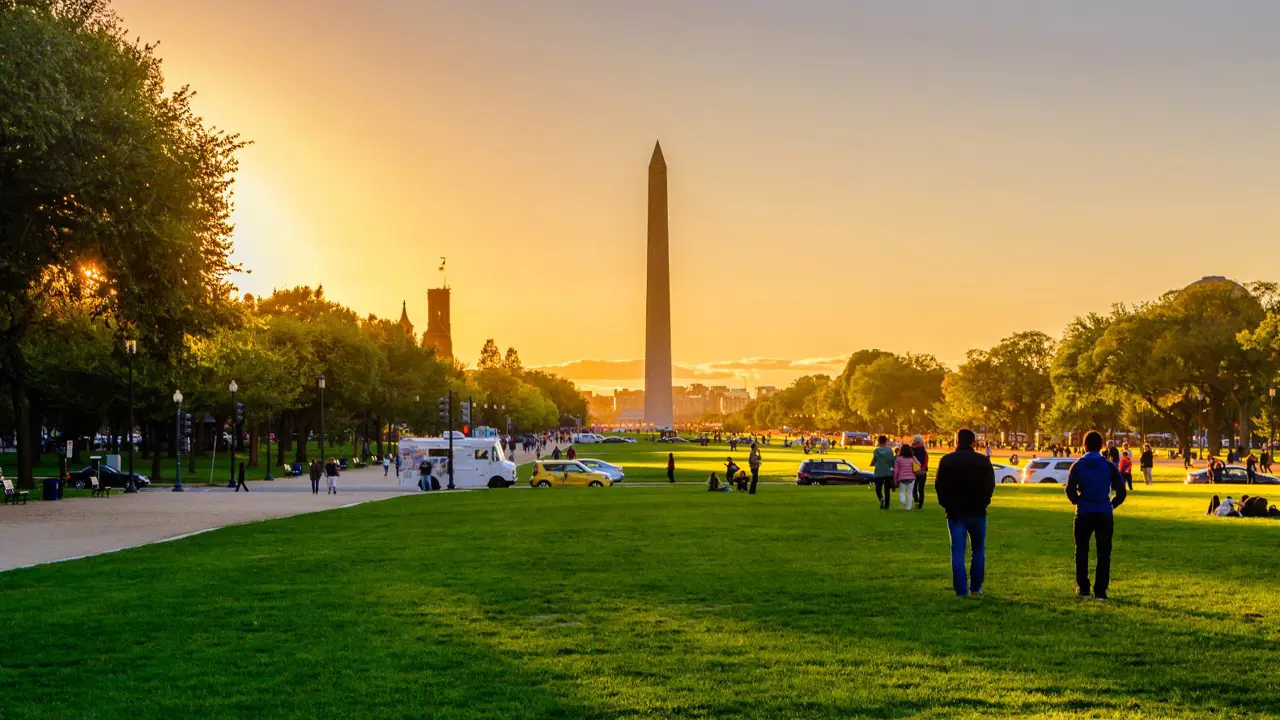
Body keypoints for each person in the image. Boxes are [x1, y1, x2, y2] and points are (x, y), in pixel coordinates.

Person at [1066, 431, 1127, 601]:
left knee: (1081, 550)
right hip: (1103, 512)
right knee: (1104, 552)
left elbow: (1069, 490)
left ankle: (1083, 587)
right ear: (1102, 446)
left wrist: (1078, 501)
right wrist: (1111, 505)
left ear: (1084, 445)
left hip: (1084, 512)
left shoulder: (1077, 465)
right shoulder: (1108, 466)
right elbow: (1121, 491)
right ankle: (1100, 590)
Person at [934, 428, 995, 598]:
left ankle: (961, 590)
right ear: (973, 442)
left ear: (957, 441)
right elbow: (990, 484)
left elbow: (939, 485)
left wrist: (946, 503)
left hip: (955, 512)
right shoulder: (983, 461)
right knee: (978, 550)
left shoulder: (947, 461)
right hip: (977, 510)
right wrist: (985, 500)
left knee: (958, 551)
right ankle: (976, 588)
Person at [871, 435, 895, 510]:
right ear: (886, 441)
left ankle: (881, 498)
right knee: (887, 490)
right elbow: (892, 461)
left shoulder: (876, 451)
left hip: (879, 472)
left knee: (878, 489)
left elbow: (875, 460)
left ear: (878, 441)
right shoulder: (890, 450)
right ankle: (887, 505)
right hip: (888, 472)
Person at [893, 444, 919, 511]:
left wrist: (895, 480)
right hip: (912, 478)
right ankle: (908, 507)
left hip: (902, 478)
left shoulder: (899, 459)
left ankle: (903, 500)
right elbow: (919, 465)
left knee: (902, 492)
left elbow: (896, 470)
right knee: (910, 493)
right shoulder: (913, 458)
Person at [911, 434, 929, 509]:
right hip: (922, 472)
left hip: (913, 472)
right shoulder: (924, 451)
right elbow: (926, 461)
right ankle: (920, 504)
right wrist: (922, 469)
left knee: (914, 488)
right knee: (921, 489)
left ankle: (916, 501)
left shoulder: (910, 450)